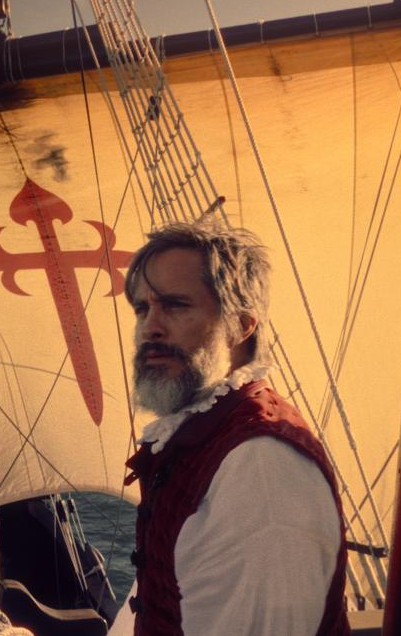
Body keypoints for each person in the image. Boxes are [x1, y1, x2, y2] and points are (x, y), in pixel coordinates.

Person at [107, 221, 350, 636]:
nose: (150, 327)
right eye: (143, 309)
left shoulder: (261, 470)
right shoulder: (202, 437)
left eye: (175, 305)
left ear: (241, 326)